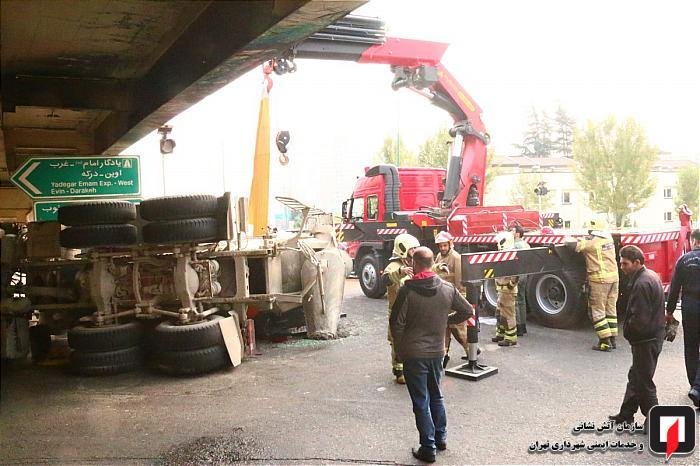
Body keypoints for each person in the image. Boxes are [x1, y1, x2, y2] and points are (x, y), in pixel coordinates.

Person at [390, 246, 474, 463]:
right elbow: (467, 311)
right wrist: (447, 320)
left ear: (415, 265)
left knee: (421, 401)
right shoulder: (447, 288)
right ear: (431, 264)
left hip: (414, 354)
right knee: (436, 395)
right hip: (438, 352)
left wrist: (400, 350)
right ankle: (441, 438)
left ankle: (428, 448)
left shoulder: (407, 291)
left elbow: (395, 323)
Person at [608, 245, 665, 425]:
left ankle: (656, 421)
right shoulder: (650, 276)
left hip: (645, 340)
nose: (622, 267)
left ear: (637, 262)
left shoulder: (641, 283)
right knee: (636, 377)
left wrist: (630, 333)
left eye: (625, 264)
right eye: (621, 263)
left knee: (643, 382)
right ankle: (626, 414)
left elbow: (639, 318)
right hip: (652, 336)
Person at [567, 219, 619, 351]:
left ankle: (604, 342)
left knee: (598, 311)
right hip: (614, 279)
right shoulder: (609, 240)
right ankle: (612, 339)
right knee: (610, 309)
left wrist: (571, 239)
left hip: (599, 280)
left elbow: (572, 245)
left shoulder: (592, 243)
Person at [665, 228, 700, 407]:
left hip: (690, 308)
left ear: (693, 241)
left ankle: (694, 384)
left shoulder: (684, 260)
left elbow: (674, 288)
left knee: (691, 346)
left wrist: (669, 311)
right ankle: (698, 388)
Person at [382, 233, 421, 384]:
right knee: (397, 341)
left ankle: (412, 367)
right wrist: (400, 272)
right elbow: (385, 279)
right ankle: (399, 371)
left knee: (412, 340)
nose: (414, 252)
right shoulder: (393, 267)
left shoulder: (413, 264)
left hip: (412, 311)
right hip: (397, 313)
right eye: (412, 249)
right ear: (403, 249)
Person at [433, 231, 470, 366]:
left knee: (458, 328)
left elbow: (460, 281)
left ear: (450, 244)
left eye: (445, 245)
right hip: (442, 299)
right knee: (443, 328)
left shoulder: (456, 258)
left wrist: (460, 301)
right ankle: (444, 355)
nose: (442, 248)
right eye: (440, 246)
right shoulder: (438, 257)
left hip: (453, 299)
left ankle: (471, 351)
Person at [491, 231, 518, 347]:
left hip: (507, 292)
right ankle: (501, 334)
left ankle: (510, 338)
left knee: (508, 315)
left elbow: (516, 275)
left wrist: (509, 286)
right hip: (502, 291)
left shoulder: (512, 256)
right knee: (500, 314)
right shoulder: (503, 255)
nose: (497, 244)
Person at [511, 224, 531, 336]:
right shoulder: (526, 245)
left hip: (517, 275)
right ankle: (523, 325)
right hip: (525, 274)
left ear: (517, 234)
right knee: (522, 299)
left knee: (516, 301)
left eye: (512, 231)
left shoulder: (514, 245)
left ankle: (518, 327)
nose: (511, 233)